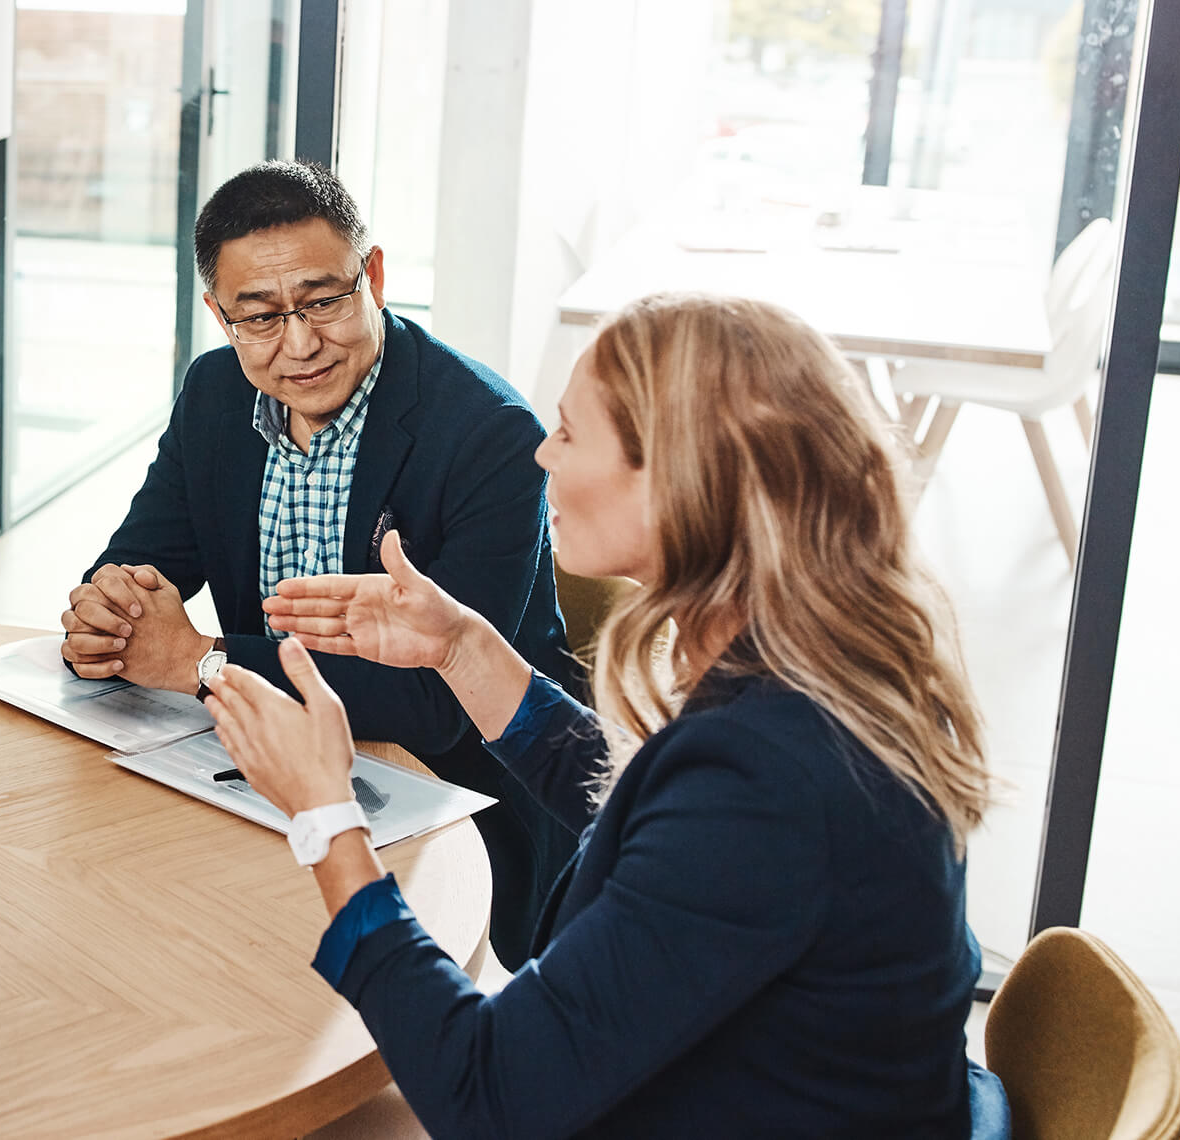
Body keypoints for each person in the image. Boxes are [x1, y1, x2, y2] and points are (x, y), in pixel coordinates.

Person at [206, 293, 1009, 1136]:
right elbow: (657, 820)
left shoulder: (769, 778)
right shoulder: (816, 667)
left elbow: (488, 1098)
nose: (543, 453)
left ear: (677, 480)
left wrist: (327, 821)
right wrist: (462, 650)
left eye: (570, 432)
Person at [64, 161, 576, 969]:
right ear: (218, 313)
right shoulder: (215, 394)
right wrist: (109, 612)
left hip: (449, 802)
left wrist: (201, 664)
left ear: (371, 275)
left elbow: (438, 703)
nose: (299, 345)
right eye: (259, 317)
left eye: (323, 301)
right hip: (250, 778)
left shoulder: (490, 434)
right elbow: (145, 559)